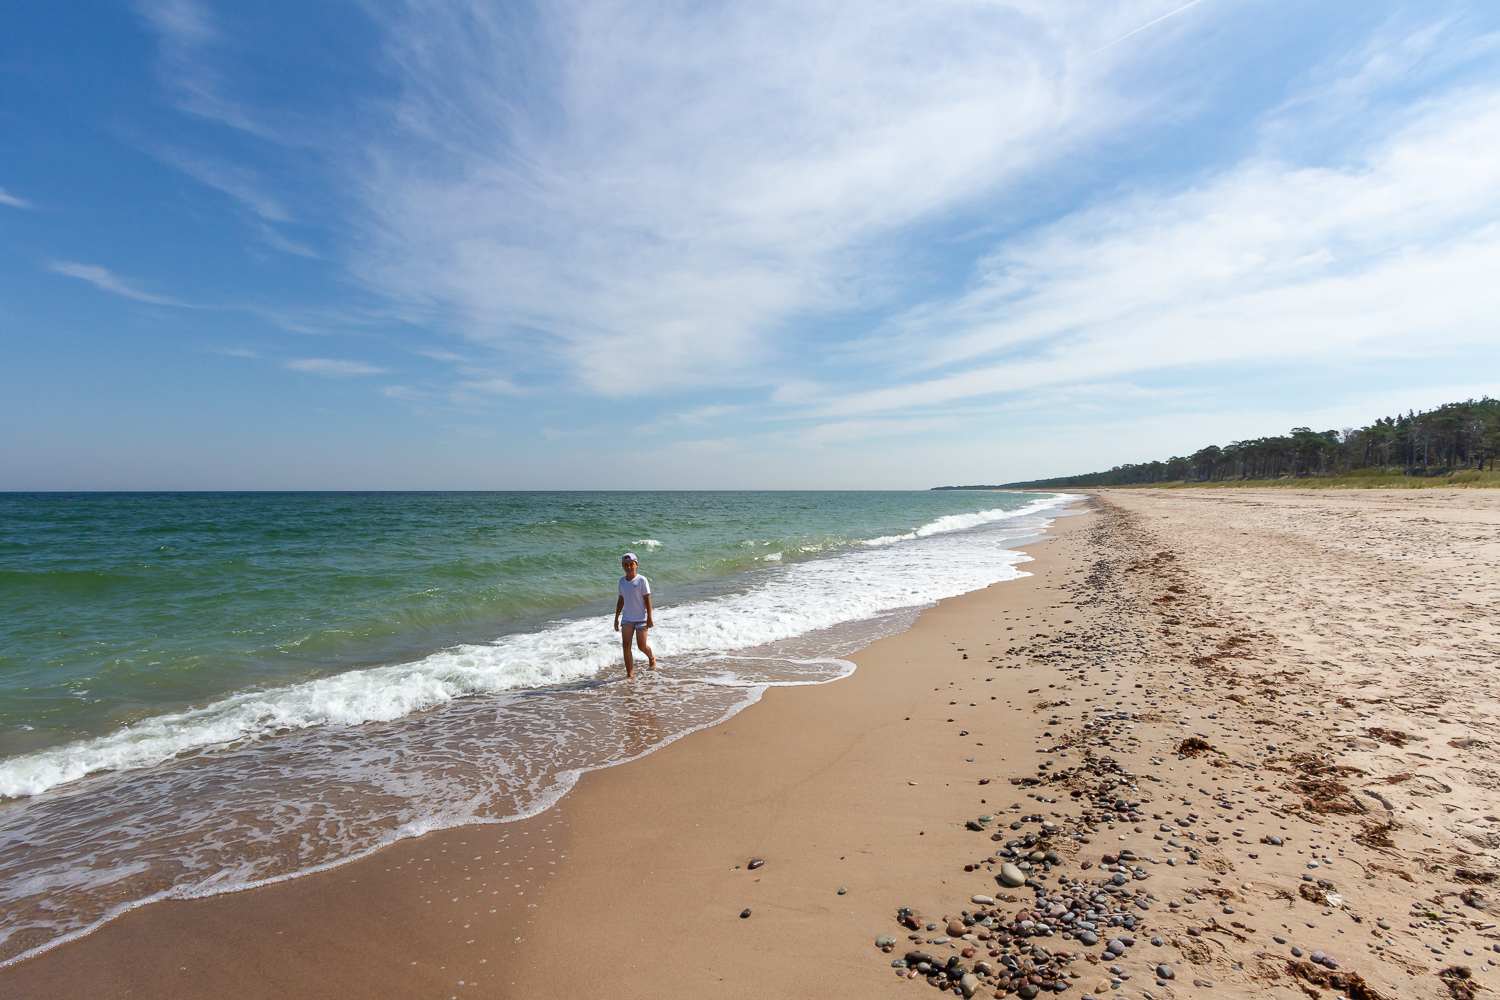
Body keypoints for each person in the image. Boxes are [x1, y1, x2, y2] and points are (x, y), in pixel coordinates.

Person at [614, 552, 656, 677]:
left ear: (636, 565)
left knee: (641, 646)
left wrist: (649, 617)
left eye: (631, 564)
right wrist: (616, 618)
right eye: (625, 565)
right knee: (626, 645)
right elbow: (621, 600)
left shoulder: (642, 580)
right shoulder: (621, 581)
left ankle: (651, 657)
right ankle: (630, 674)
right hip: (627, 619)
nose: (628, 567)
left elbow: (647, 599)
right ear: (622, 566)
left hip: (641, 619)